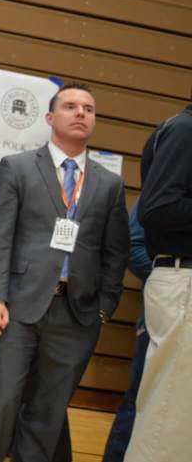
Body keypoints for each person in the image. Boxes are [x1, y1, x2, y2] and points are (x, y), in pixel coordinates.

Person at [0, 82, 129, 462]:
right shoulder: (18, 168)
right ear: (49, 118)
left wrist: (104, 307)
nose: (80, 114)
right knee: (0, 404)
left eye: (88, 109)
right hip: (18, 309)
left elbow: (115, 251)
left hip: (76, 316)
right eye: (71, 106)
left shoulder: (109, 184)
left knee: (48, 414)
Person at [124, 98, 192, 462]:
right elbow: (158, 208)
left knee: (181, 420)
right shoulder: (185, 130)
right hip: (184, 283)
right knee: (167, 417)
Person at [101, 198, 152, 461]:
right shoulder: (172, 177)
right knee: (140, 400)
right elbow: (132, 244)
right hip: (164, 314)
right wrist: (171, 281)